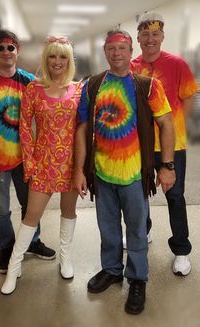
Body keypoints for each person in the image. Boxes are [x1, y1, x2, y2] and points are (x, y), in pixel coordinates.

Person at [73, 29, 176, 314]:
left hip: (133, 174)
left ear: (131, 53)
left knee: (137, 230)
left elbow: (167, 124)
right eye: (111, 48)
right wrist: (80, 170)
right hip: (101, 174)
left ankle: (138, 278)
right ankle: (112, 269)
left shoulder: (147, 86)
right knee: (107, 228)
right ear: (105, 52)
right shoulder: (92, 85)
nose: (116, 53)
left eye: (122, 48)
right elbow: (82, 128)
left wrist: (167, 166)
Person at [0, 29, 56, 274]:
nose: (6, 52)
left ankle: (32, 242)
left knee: (30, 204)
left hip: (26, 159)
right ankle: (6, 248)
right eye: (0, 47)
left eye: (10, 47)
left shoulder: (28, 81)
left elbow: (52, 102)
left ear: (18, 50)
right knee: (1, 209)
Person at [1, 35, 83, 295]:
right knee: (31, 216)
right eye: (52, 55)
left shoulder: (79, 90)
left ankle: (65, 257)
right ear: (45, 59)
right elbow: (24, 128)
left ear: (69, 60)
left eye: (62, 56)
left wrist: (83, 166)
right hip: (44, 162)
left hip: (71, 163)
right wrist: (30, 162)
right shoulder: (33, 89)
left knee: (68, 211)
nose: (57, 61)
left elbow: (83, 129)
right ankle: (14, 267)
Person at [131, 12, 199, 276]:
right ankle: (144, 232)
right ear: (138, 37)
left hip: (173, 145)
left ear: (162, 36)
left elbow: (190, 97)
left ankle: (181, 250)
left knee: (175, 196)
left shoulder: (177, 64)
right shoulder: (132, 65)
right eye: (145, 34)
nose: (150, 39)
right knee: (139, 195)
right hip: (139, 145)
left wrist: (179, 125)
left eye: (155, 34)